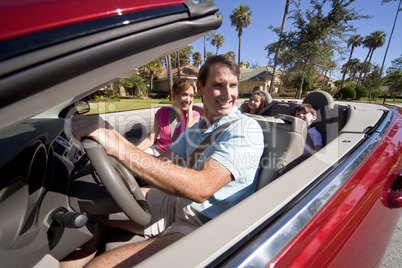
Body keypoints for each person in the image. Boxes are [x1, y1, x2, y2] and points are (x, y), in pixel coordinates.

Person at [71, 54, 264, 267]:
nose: (229, 94)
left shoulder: (245, 129)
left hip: (203, 223)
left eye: (233, 85)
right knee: (92, 212)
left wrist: (121, 148)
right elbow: (164, 161)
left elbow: (202, 187)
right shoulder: (197, 128)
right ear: (201, 88)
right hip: (174, 201)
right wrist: (117, 152)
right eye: (219, 85)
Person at [136, 78, 201, 156]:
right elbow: (151, 139)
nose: (188, 99)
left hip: (177, 157)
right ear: (174, 95)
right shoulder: (162, 112)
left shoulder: (195, 116)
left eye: (191, 96)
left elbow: (189, 140)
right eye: (184, 94)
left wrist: (190, 112)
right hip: (158, 151)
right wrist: (133, 152)